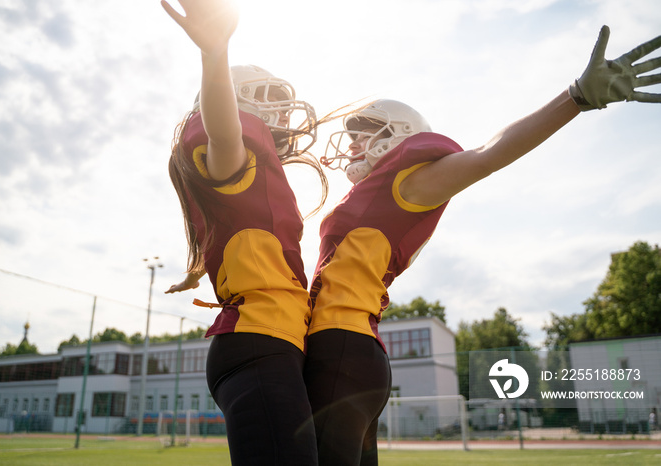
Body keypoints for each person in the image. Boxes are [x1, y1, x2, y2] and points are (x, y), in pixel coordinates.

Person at [304, 25, 661, 465]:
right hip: (349, 348)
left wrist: (575, 97)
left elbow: (490, 153)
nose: (353, 143)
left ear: (397, 133)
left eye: (365, 132)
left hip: (342, 346)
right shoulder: (381, 191)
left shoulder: (411, 181)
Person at [161, 1, 326, 464]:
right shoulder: (233, 153)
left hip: (272, 342)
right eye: (264, 95)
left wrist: (194, 272)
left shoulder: (249, 173)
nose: (280, 107)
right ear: (234, 100)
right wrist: (214, 54)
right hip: (258, 342)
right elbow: (224, 135)